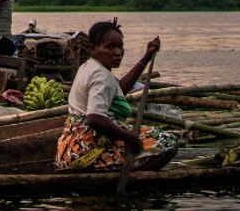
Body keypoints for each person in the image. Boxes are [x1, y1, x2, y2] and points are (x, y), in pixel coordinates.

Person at [55, 19, 178, 171]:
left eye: (120, 47)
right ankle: (133, 177)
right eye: (110, 47)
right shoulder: (100, 76)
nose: (118, 52)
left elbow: (118, 90)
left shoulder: (90, 67)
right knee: (167, 141)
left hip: (69, 149)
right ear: (94, 48)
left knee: (149, 136)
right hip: (87, 149)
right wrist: (128, 138)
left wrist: (146, 57)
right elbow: (95, 118)